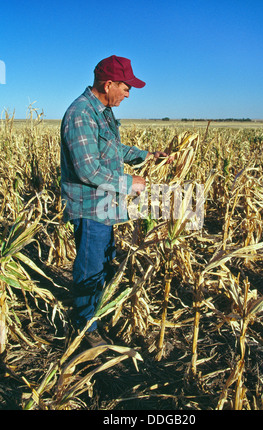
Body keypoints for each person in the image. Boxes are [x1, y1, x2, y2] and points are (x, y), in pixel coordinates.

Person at [60, 55, 170, 347]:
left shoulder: (102, 111)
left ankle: (95, 314)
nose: (128, 93)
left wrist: (146, 156)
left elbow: (112, 149)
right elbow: (87, 169)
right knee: (90, 267)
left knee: (104, 263)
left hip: (105, 204)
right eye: (125, 87)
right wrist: (128, 182)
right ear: (108, 84)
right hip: (89, 206)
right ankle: (84, 329)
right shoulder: (81, 114)